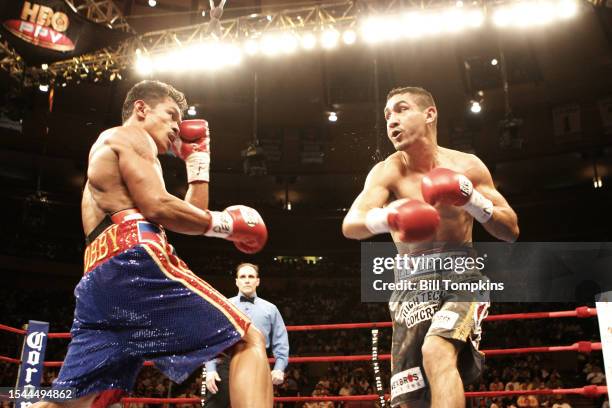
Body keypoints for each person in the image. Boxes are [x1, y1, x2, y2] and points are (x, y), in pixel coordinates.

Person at [34, 80, 273, 408]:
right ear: (141, 109)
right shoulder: (129, 135)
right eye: (171, 114)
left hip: (100, 281)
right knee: (248, 339)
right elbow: (159, 206)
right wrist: (227, 225)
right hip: (134, 263)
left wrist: (198, 163)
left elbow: (189, 215)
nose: (177, 126)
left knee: (71, 401)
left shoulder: (115, 152)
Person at [342, 86, 519, 408]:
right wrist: (391, 217)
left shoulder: (467, 166)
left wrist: (473, 200)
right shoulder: (388, 170)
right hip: (410, 281)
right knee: (410, 396)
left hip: (461, 275)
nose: (391, 121)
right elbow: (351, 224)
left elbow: (510, 230)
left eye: (401, 109)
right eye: (387, 115)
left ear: (430, 114)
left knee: (436, 350)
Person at [204, 262, 289, 408]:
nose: (247, 280)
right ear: (237, 281)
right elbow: (213, 341)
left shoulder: (270, 309)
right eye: (243, 276)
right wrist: (210, 369)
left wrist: (279, 367)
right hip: (224, 363)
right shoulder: (225, 306)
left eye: (251, 276)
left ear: (257, 281)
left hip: (257, 362)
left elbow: (280, 341)